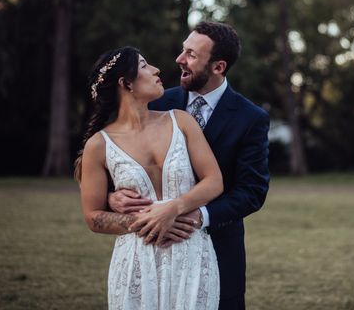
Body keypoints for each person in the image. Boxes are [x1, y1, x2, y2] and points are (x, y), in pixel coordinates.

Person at [109, 22, 270, 310]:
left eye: (192, 54)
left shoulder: (250, 118)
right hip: (152, 249)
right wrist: (113, 195)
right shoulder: (157, 102)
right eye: (183, 49)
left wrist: (198, 217)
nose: (179, 59)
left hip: (219, 248)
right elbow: (120, 156)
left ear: (218, 67)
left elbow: (252, 191)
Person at [75, 46, 223, 310]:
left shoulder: (181, 121)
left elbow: (214, 181)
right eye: (144, 65)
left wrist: (173, 209)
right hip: (136, 261)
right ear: (126, 83)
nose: (156, 70)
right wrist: (147, 221)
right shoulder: (99, 145)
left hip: (192, 254)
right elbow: (93, 217)